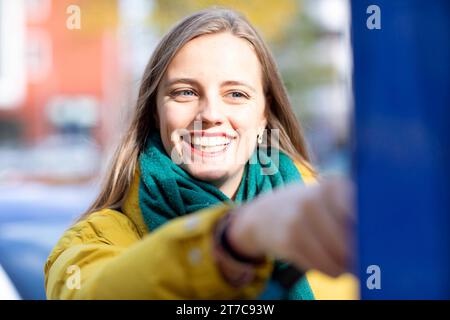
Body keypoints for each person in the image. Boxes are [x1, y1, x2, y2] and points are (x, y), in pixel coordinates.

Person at [44, 7, 355, 300]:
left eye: (236, 94)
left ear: (265, 114)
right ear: (155, 112)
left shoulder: (337, 228)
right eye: (185, 92)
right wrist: (234, 239)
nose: (210, 114)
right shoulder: (91, 241)